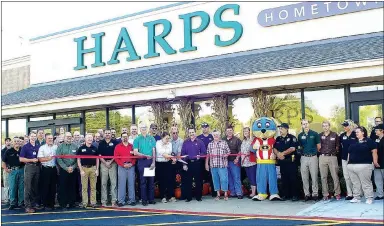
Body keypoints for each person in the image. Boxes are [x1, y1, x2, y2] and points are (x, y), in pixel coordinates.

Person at [347, 126, 379, 204]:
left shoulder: (369, 141)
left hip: (365, 165)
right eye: (355, 132)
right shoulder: (353, 141)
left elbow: (374, 151)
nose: (356, 133)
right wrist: (348, 163)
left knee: (366, 183)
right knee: (355, 183)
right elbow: (349, 153)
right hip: (351, 166)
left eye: (358, 131)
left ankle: (369, 198)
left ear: (363, 132)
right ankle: (356, 197)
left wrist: (375, 162)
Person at [273, 123, 299, 201]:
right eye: (280, 129)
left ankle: (295, 195)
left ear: (287, 129)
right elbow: (274, 148)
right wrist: (277, 154)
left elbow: (292, 148)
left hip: (291, 161)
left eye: (282, 128)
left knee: (293, 178)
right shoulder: (278, 138)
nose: (280, 130)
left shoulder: (292, 137)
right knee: (284, 179)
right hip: (282, 162)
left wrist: (282, 153)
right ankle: (285, 195)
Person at [181, 127, 207, 202]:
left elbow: (204, 152)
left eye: (193, 132)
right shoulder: (185, 142)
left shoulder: (200, 142)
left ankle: (199, 197)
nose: (191, 134)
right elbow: (183, 154)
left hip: (197, 163)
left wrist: (200, 156)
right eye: (190, 132)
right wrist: (184, 164)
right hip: (188, 163)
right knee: (188, 181)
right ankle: (188, 197)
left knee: (198, 180)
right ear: (188, 134)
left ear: (195, 132)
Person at [133, 123, 156, 206]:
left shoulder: (151, 138)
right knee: (143, 182)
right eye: (142, 128)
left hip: (150, 162)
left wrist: (153, 162)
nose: (144, 129)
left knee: (151, 181)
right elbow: (135, 152)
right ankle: (144, 200)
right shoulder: (137, 139)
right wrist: (145, 155)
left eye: (145, 128)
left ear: (147, 129)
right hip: (142, 161)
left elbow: (153, 151)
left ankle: (151, 199)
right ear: (140, 129)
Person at [298, 119, 320, 201]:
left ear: (309, 124)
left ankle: (315, 194)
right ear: (302, 126)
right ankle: (307, 194)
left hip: (313, 157)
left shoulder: (314, 134)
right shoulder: (300, 135)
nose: (305, 125)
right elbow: (300, 147)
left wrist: (314, 153)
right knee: (304, 177)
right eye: (303, 124)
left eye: (306, 123)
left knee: (314, 176)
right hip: (304, 157)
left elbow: (319, 146)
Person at [318, 121, 341, 201]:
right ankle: (325, 194)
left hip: (332, 157)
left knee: (335, 176)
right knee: (323, 177)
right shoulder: (320, 135)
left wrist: (335, 152)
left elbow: (338, 146)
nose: (325, 127)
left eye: (326, 126)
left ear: (329, 126)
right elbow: (318, 146)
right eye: (323, 126)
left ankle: (337, 193)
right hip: (322, 157)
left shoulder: (334, 135)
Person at [205, 130, 230, 201]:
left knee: (224, 179)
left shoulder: (224, 143)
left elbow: (228, 152)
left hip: (222, 164)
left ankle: (225, 194)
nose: (216, 136)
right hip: (213, 165)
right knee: (215, 180)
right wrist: (207, 164)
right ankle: (218, 195)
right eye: (214, 135)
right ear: (212, 136)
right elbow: (208, 155)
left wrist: (226, 155)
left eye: (217, 134)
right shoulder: (210, 144)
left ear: (219, 135)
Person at [19, 131, 41, 213]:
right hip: (29, 167)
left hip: (37, 168)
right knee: (27, 187)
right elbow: (21, 159)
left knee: (35, 187)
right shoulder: (25, 147)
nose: (33, 137)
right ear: (29, 137)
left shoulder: (38, 146)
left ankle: (33, 204)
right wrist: (31, 160)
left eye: (35, 136)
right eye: (32, 136)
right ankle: (27, 206)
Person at [56, 132, 79, 210]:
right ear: (64, 137)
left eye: (70, 136)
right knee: (63, 187)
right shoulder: (60, 147)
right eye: (67, 136)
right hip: (63, 170)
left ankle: (72, 203)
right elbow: (59, 159)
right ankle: (63, 204)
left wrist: (73, 167)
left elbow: (77, 159)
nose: (69, 138)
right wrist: (66, 168)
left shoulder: (75, 146)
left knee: (72, 187)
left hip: (73, 170)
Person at [77, 134, 100, 208]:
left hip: (93, 168)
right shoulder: (81, 148)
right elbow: (78, 159)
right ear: (85, 139)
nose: (90, 139)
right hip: (84, 169)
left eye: (91, 138)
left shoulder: (95, 148)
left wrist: (97, 169)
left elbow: (97, 159)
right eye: (88, 138)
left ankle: (93, 202)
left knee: (93, 187)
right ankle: (85, 203)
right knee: (84, 187)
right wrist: (81, 170)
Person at [114, 132, 136, 206]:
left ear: (128, 137)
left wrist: (131, 164)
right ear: (121, 138)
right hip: (121, 167)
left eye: (126, 136)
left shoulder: (132, 146)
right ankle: (121, 201)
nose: (125, 138)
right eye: (123, 137)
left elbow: (135, 156)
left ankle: (132, 200)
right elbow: (116, 158)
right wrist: (123, 165)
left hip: (131, 167)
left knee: (131, 183)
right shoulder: (118, 146)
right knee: (121, 184)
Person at [2, 137, 24, 210]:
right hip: (12, 171)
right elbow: (3, 162)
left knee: (21, 187)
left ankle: (21, 203)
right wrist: (6, 169)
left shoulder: (22, 150)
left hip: (22, 170)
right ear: (12, 142)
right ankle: (12, 203)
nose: (17, 142)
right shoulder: (8, 151)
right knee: (12, 187)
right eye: (15, 141)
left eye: (18, 141)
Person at [37, 133, 58, 210]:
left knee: (53, 187)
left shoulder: (56, 147)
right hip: (45, 169)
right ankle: (45, 204)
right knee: (45, 187)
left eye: (51, 138)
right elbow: (40, 159)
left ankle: (52, 204)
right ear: (45, 139)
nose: (50, 140)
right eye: (49, 138)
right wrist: (47, 159)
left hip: (53, 169)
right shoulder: (42, 148)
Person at [98, 129, 118, 207]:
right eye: (106, 133)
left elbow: (116, 154)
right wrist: (105, 162)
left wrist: (110, 162)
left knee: (113, 183)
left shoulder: (115, 142)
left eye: (108, 133)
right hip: (103, 164)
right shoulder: (101, 143)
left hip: (113, 163)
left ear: (111, 134)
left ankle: (113, 201)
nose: (107, 134)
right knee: (103, 183)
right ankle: (104, 201)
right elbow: (99, 155)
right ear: (104, 134)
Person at [155, 132, 177, 203]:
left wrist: (171, 157)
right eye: (166, 138)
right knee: (162, 180)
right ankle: (162, 197)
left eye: (168, 138)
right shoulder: (158, 143)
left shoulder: (170, 143)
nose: (168, 140)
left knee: (170, 179)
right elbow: (161, 152)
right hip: (160, 163)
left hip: (168, 163)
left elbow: (169, 152)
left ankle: (170, 196)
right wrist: (171, 157)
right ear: (162, 138)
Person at [339, 119, 358, 200]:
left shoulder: (355, 134)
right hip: (344, 158)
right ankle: (349, 194)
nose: (344, 127)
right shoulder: (342, 135)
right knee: (347, 177)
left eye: (346, 125)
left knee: (354, 176)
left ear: (350, 126)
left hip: (354, 158)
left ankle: (357, 193)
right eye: (344, 126)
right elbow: (340, 147)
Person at [224, 126, 243, 199]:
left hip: (234, 161)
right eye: (228, 130)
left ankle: (239, 193)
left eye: (230, 130)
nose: (229, 132)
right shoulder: (223, 140)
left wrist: (237, 158)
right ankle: (233, 192)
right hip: (225, 162)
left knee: (236, 177)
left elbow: (240, 150)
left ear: (233, 131)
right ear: (226, 132)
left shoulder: (237, 140)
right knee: (229, 178)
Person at [197, 122, 215, 197]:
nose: (204, 128)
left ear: (208, 128)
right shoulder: (198, 137)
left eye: (206, 127)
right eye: (203, 127)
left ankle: (214, 192)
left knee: (212, 176)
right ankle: (200, 193)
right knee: (200, 176)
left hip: (211, 159)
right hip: (201, 160)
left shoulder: (212, 136)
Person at [240, 127, 257, 199]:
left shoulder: (253, 140)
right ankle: (252, 191)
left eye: (247, 131)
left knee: (253, 177)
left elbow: (255, 150)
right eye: (244, 131)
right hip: (245, 162)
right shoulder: (243, 141)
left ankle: (254, 193)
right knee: (249, 177)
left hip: (251, 161)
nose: (245, 132)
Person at [170, 126, 183, 199]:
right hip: (170, 161)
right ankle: (172, 195)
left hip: (178, 162)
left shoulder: (181, 141)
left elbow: (179, 152)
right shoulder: (169, 140)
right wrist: (172, 159)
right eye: (173, 133)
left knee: (179, 179)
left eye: (176, 133)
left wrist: (175, 159)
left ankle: (181, 194)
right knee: (171, 179)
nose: (174, 134)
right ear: (171, 133)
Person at [374, 123, 384, 200]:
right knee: (378, 179)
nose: (375, 131)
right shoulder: (376, 139)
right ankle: (380, 195)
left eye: (377, 130)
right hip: (377, 163)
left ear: (382, 130)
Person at [1, 137, 12, 205]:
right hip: (6, 169)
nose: (8, 142)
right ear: (5, 142)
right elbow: (4, 160)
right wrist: (6, 169)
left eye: (9, 141)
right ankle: (6, 199)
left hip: (12, 169)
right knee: (6, 184)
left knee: (12, 185)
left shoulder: (12, 149)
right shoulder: (3, 150)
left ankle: (11, 199)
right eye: (7, 141)